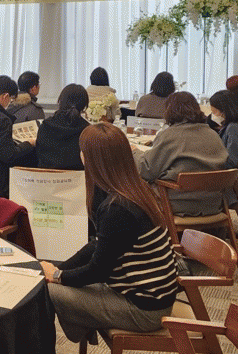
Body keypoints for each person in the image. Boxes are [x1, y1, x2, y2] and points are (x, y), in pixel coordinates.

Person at [41, 123, 178, 344]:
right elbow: (98, 246)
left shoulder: (117, 209)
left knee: (48, 291)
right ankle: (82, 325)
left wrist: (57, 276)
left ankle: (54, 340)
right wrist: (59, 269)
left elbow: (98, 271)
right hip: (151, 297)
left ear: (89, 159)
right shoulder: (136, 189)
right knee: (59, 281)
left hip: (144, 310)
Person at [134, 92, 228, 216]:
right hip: (213, 203)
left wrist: (134, 152)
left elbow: (146, 170)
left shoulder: (170, 135)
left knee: (130, 187)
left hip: (177, 203)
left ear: (168, 111)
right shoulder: (213, 134)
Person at [35, 84, 89, 170]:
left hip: (47, 176)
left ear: (60, 101)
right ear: (84, 105)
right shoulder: (87, 130)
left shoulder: (45, 125)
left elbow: (39, 154)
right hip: (77, 177)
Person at [210, 89, 238, 202]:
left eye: (214, 112)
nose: (213, 116)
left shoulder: (234, 128)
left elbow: (236, 162)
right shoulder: (237, 125)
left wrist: (213, 161)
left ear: (223, 111)